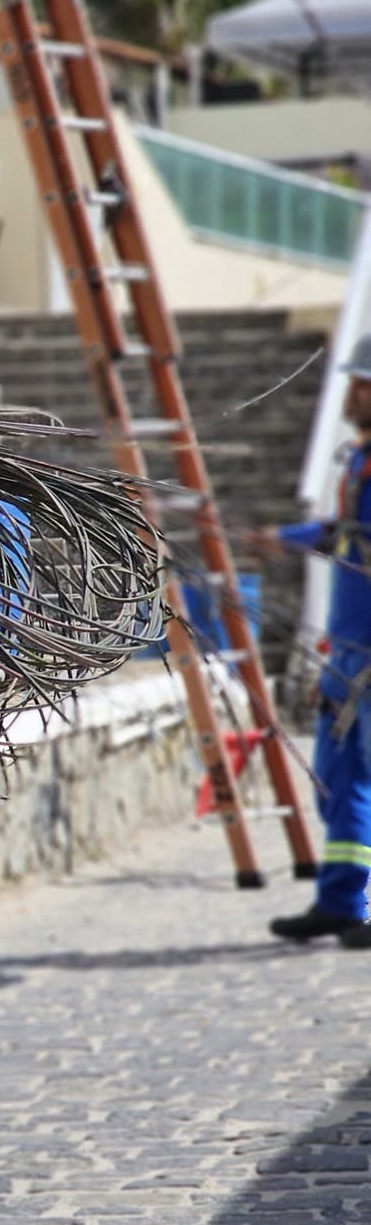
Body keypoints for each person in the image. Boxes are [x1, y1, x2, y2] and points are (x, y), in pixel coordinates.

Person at [265, 334, 371, 947]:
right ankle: (342, 901)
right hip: (350, 646)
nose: (354, 394)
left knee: (355, 777)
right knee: (339, 779)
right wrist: (286, 537)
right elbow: (345, 533)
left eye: (366, 385)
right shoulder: (361, 461)